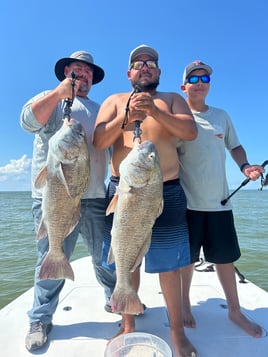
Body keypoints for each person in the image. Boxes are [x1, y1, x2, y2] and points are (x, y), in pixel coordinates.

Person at [93, 44, 198, 357]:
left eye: (151, 63)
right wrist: (126, 117)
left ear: (159, 72)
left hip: (165, 191)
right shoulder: (114, 101)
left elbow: (190, 132)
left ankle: (176, 332)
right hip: (123, 191)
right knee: (128, 258)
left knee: (170, 267)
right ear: (129, 73)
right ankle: (128, 326)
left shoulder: (172, 99)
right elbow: (99, 141)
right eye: (138, 63)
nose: (145, 66)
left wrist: (154, 111)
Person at [20, 50, 116, 351]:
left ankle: (116, 300)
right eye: (77, 70)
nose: (82, 75)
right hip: (54, 195)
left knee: (105, 256)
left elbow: (112, 149)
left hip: (95, 196)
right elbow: (27, 122)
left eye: (87, 72)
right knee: (50, 255)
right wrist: (59, 93)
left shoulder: (101, 109)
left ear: (92, 78)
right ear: (66, 72)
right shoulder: (49, 97)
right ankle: (40, 318)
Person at [178, 60, 264, 338]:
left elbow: (235, 146)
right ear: (184, 87)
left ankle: (235, 311)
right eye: (193, 79)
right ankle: (184, 304)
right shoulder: (178, 118)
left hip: (220, 203)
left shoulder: (221, 116)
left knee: (225, 260)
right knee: (186, 261)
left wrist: (245, 166)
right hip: (187, 204)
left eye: (204, 78)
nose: (199, 82)